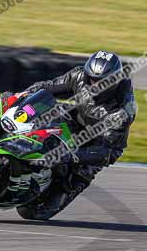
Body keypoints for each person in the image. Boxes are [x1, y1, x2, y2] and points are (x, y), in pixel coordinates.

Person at [20, 50, 137, 215]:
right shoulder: (78, 76)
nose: (95, 85)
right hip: (76, 119)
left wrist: (71, 155)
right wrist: (23, 96)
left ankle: (66, 190)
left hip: (100, 144)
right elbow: (46, 87)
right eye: (93, 79)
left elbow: (105, 151)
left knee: (79, 172)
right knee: (47, 111)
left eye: (102, 81)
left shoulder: (122, 110)